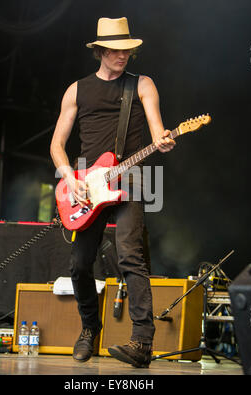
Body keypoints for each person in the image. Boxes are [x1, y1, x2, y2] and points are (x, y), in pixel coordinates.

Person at [50, 17, 175, 368]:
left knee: (130, 256)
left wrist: (163, 140)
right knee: (78, 265)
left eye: (128, 51)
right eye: (117, 51)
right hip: (87, 188)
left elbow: (157, 130)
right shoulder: (77, 90)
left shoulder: (142, 85)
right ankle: (90, 328)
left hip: (131, 180)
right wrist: (70, 178)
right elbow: (57, 145)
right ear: (101, 51)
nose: (123, 56)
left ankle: (141, 341)